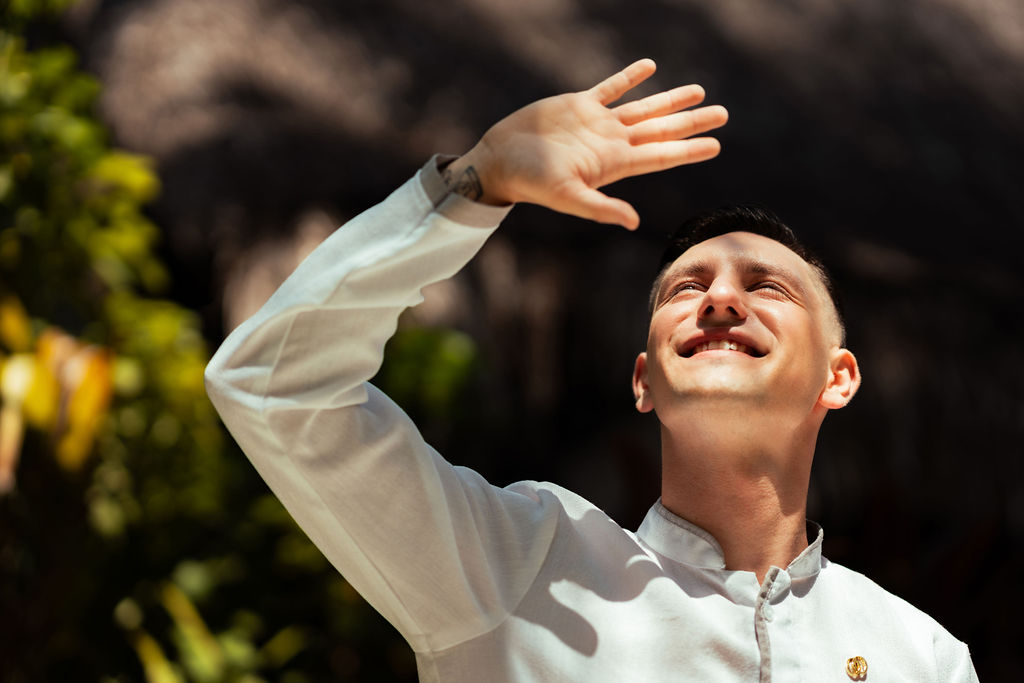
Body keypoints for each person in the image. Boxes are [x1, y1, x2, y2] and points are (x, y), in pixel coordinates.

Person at [205, 59, 978, 681]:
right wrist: (474, 183)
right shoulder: (521, 566)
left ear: (838, 378)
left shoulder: (923, 657)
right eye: (687, 287)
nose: (718, 300)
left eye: (765, 286)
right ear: (643, 379)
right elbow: (276, 384)